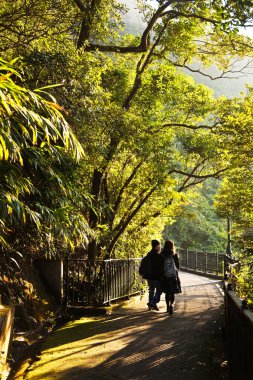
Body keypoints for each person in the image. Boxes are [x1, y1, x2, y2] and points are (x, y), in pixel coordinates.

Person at [140, 239, 164, 311]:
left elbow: (143, 263)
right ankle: (153, 303)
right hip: (156, 276)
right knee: (159, 290)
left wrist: (142, 272)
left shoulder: (148, 255)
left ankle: (151, 306)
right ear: (155, 246)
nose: (160, 247)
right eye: (159, 246)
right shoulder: (159, 256)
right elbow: (161, 266)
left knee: (151, 290)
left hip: (149, 276)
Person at [161, 240, 181, 315]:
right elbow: (178, 267)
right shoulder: (175, 254)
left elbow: (160, 265)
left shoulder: (162, 254)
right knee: (172, 293)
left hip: (165, 276)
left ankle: (167, 307)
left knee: (167, 292)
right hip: (173, 276)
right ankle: (171, 305)